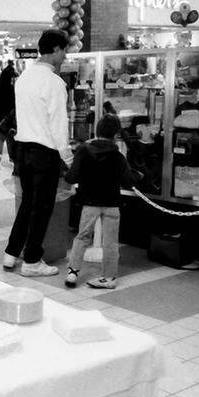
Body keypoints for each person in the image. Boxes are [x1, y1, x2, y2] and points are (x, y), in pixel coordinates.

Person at [3, 29, 72, 277]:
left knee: (27, 204)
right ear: (55, 49)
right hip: (45, 152)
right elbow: (58, 124)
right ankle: (32, 260)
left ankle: (11, 254)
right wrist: (68, 157)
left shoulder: (23, 78)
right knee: (41, 208)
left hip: (23, 150)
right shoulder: (54, 82)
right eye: (64, 50)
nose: (65, 56)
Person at [64, 115, 137, 290]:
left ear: (97, 130)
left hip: (89, 202)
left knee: (82, 236)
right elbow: (129, 181)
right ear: (115, 133)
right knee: (111, 241)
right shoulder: (118, 156)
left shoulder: (83, 150)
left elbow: (71, 177)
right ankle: (109, 277)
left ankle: (73, 272)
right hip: (112, 203)